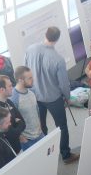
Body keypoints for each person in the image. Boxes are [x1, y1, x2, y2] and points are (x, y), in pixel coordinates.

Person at [23, 26, 79, 164]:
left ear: (45, 34)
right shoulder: (58, 59)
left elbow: (25, 69)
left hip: (35, 95)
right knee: (62, 126)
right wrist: (67, 97)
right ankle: (65, 155)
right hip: (53, 98)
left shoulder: (30, 49)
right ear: (57, 39)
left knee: (41, 126)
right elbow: (64, 84)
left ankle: (44, 155)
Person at [0, 75, 26, 153]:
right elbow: (11, 135)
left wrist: (17, 127)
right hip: (7, 151)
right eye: (10, 86)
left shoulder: (9, 102)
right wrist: (18, 124)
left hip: (17, 147)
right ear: (2, 90)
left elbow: (23, 123)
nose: (13, 87)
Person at [11, 66, 42, 151]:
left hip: (39, 134)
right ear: (20, 80)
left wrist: (40, 126)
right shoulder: (13, 98)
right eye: (30, 78)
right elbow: (12, 121)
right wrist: (21, 137)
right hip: (27, 140)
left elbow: (37, 111)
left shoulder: (32, 92)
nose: (33, 80)